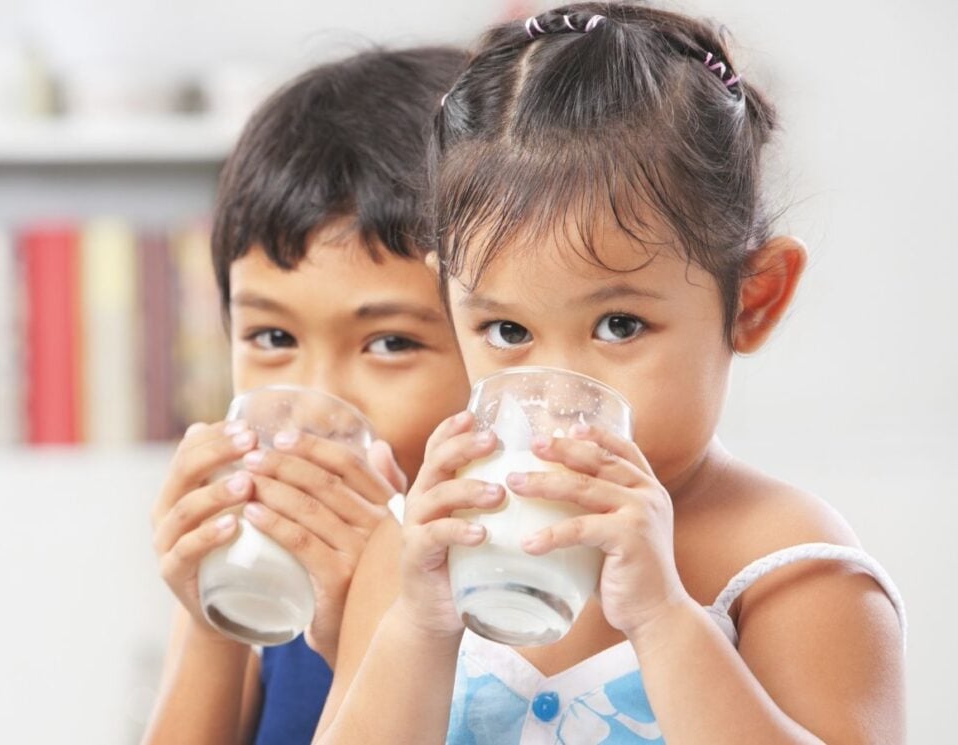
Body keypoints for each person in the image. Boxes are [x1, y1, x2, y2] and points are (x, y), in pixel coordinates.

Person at [315, 5, 906, 744]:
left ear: (755, 298)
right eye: (507, 330)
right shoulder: (412, 548)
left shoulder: (788, 564)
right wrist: (418, 626)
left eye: (619, 325)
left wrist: (664, 620)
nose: (557, 393)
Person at [141, 46, 471, 745]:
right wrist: (209, 623)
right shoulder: (259, 572)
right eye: (271, 337)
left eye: (390, 343)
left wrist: (376, 612)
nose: (314, 407)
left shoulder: (516, 586)